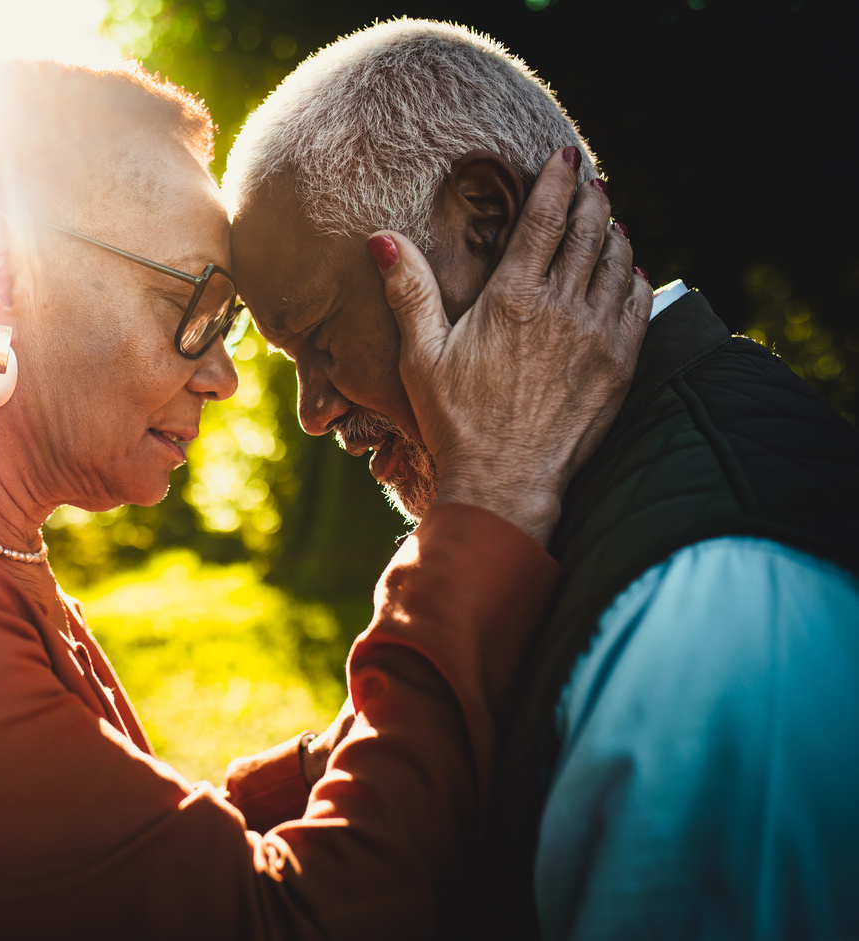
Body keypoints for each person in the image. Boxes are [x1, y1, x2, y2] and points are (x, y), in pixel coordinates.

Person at [0, 60, 646, 938]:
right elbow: (284, 922)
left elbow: (128, 876)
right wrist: (488, 505)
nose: (224, 375)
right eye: (193, 306)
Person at [224, 19, 859, 941]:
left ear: (482, 220)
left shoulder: (714, 612)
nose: (311, 410)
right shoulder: (572, 518)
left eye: (319, 337)